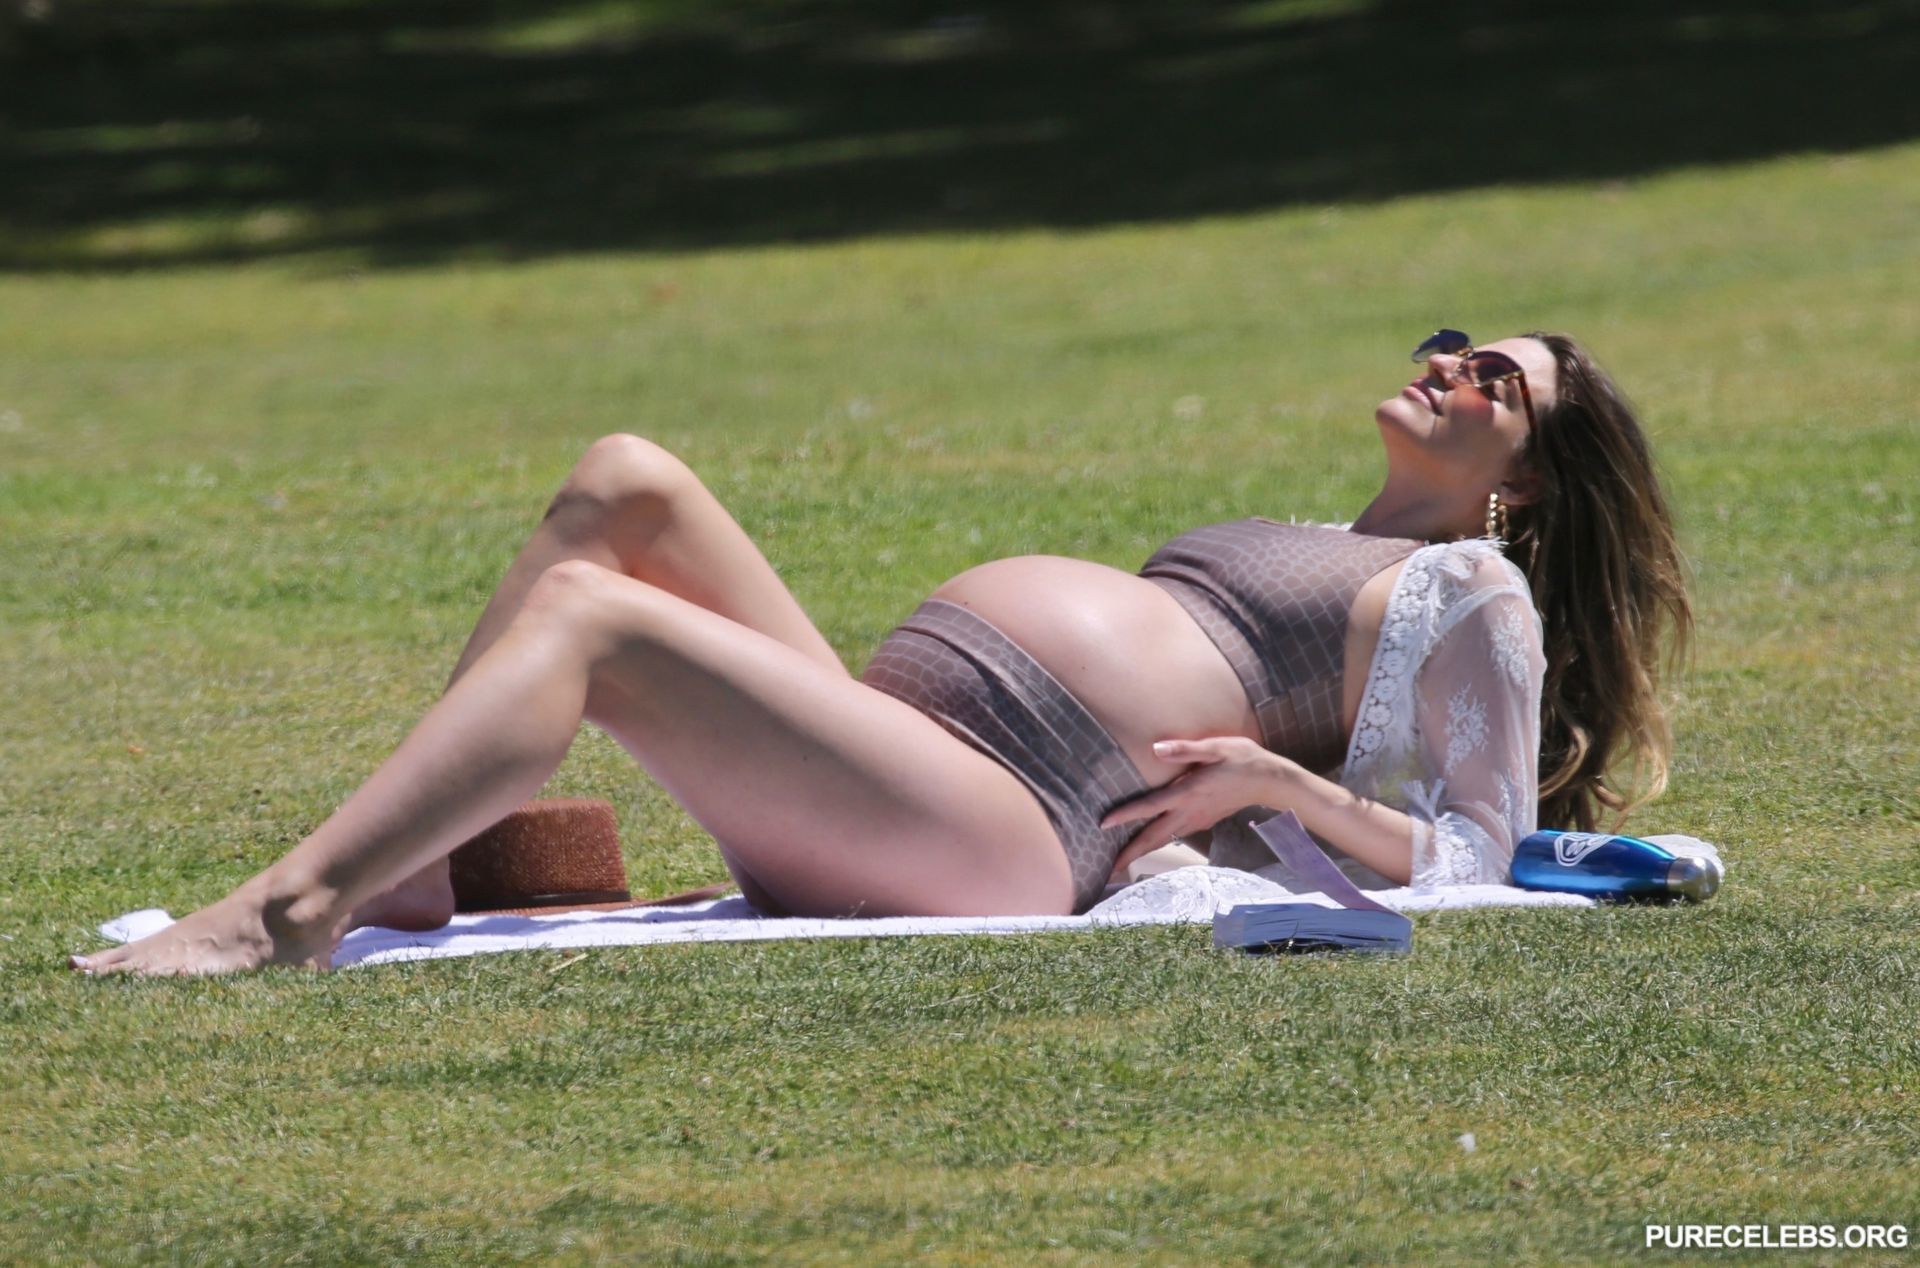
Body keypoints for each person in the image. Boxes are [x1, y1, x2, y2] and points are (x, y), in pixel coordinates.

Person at [72, 330, 1690, 976]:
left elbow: (1474, 852)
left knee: (599, 623)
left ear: (1532, 477)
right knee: (630, 482)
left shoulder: (1476, 590)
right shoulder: (1340, 534)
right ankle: (418, 877)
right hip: (918, 760)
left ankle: (290, 912)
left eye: (1498, 380)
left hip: (1002, 837)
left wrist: (1277, 785)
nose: (1450, 366)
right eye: (1451, 344)